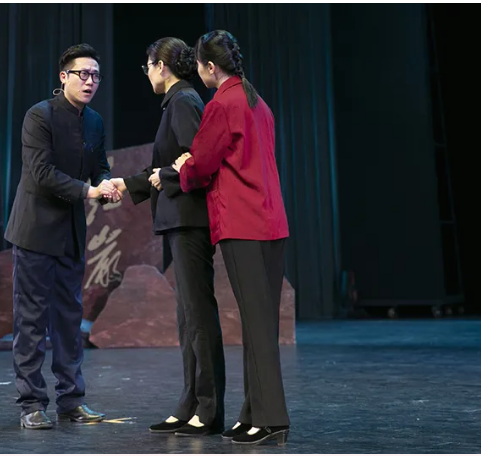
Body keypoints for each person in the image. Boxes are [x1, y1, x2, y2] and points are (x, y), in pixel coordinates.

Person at [172, 30, 291, 446]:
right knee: (262, 323)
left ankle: (272, 419)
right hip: (271, 221)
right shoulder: (258, 102)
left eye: (199, 65)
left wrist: (184, 167)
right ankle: (252, 413)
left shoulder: (222, 104)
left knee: (257, 326)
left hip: (244, 223)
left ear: (209, 67)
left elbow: (203, 164)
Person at [109, 37, 226, 437]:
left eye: (148, 66)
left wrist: (170, 174)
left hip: (190, 220)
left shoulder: (183, 101)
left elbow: (199, 161)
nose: (147, 74)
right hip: (180, 220)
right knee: (187, 318)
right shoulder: (177, 102)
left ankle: (209, 409)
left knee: (198, 315)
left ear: (161, 65)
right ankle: (189, 403)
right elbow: (168, 165)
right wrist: (127, 183)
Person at [4, 43, 120, 430]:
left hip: (70, 232)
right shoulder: (40, 116)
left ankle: (71, 401)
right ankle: (31, 404)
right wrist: (89, 191)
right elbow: (41, 174)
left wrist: (107, 183)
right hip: (35, 231)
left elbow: (99, 166)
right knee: (31, 321)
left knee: (70, 320)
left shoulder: (94, 121)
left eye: (95, 76)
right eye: (82, 74)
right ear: (63, 77)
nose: (90, 82)